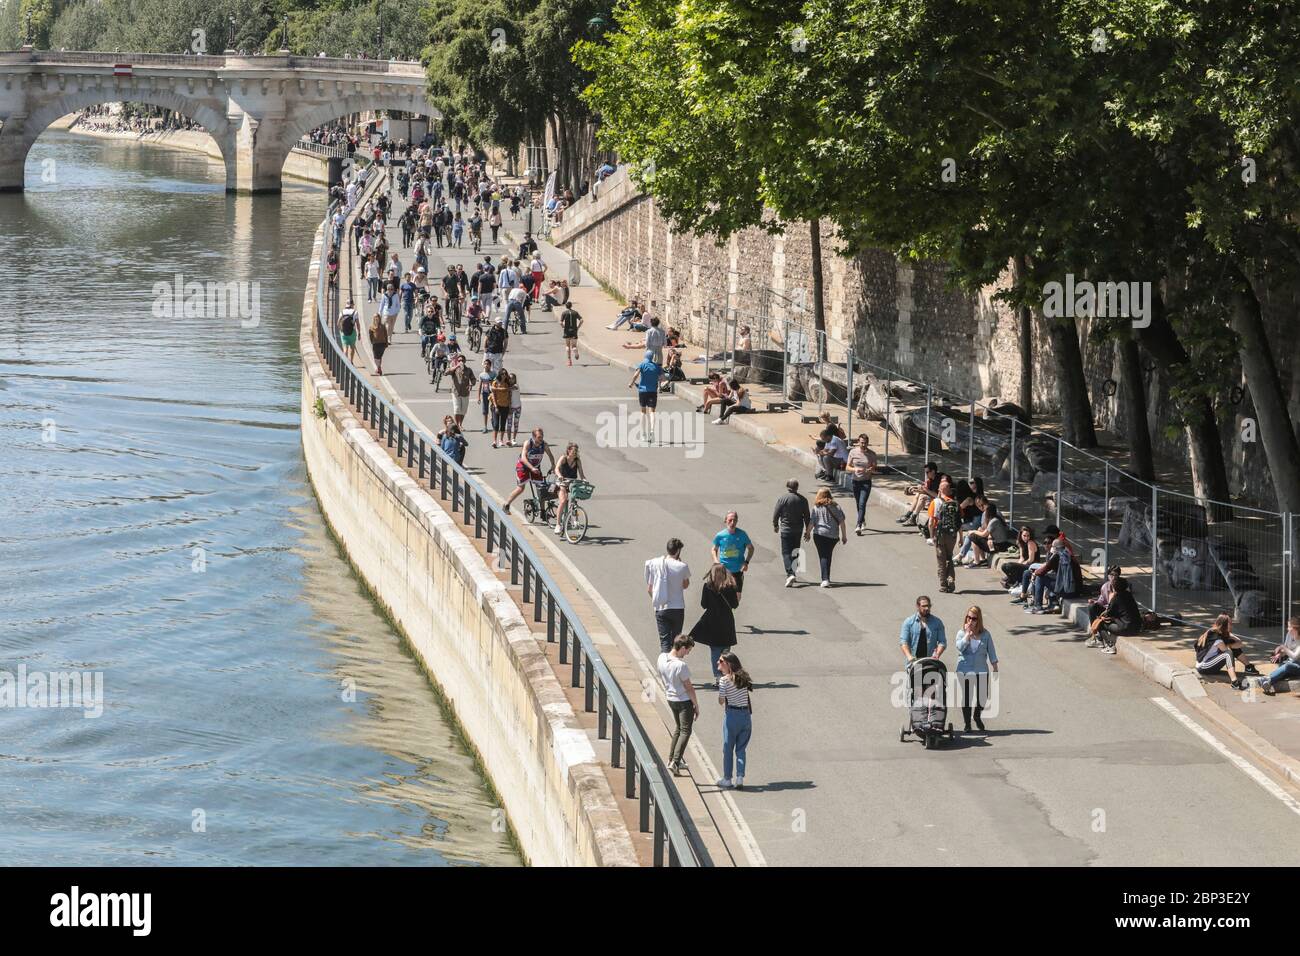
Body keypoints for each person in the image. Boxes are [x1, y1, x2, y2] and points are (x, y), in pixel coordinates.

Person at [689, 563, 741, 685]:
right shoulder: (731, 586)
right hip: (726, 621)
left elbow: (704, 604)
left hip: (712, 621)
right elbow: (734, 605)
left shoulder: (708, 587)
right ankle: (726, 675)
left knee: (715, 651)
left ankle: (718, 677)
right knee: (725, 651)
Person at [659, 636, 699, 776]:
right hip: (683, 700)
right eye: (688, 650)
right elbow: (689, 687)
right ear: (682, 648)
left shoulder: (662, 657)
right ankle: (675, 762)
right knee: (685, 731)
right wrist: (696, 705)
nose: (687, 653)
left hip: (671, 698)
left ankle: (672, 759)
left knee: (678, 729)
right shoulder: (680, 665)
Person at [954, 605, 999, 733]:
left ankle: (977, 716)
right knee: (967, 697)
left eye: (974, 618)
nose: (970, 621)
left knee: (983, 697)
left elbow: (991, 650)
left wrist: (994, 665)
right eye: (968, 617)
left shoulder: (985, 634)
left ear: (978, 620)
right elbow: (959, 647)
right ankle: (967, 724)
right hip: (965, 669)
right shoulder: (961, 633)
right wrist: (967, 635)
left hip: (981, 669)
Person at [716, 651, 753, 791]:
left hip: (732, 715)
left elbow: (721, 700)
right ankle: (740, 777)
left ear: (728, 664)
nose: (718, 663)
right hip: (745, 716)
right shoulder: (743, 677)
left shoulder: (724, 680)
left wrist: (722, 697)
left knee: (728, 748)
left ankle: (727, 778)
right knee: (741, 749)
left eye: (720, 661)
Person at [646, 539, 691, 654]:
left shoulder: (656, 565)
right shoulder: (682, 566)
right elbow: (685, 585)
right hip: (677, 608)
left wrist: (658, 600)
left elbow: (650, 589)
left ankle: (664, 667)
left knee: (664, 642)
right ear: (678, 551)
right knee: (676, 642)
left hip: (661, 608)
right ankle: (673, 665)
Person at [1194, 614, 1258, 690]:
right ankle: (1234, 682)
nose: (1232, 625)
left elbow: (1240, 643)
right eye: (1230, 624)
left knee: (1232, 647)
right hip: (1203, 667)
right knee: (1228, 654)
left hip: (1211, 662)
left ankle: (1248, 667)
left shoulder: (1221, 634)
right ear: (1224, 625)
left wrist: (1231, 636)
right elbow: (1227, 651)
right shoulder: (1215, 636)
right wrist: (1231, 644)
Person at [504, 427, 555, 513]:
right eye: (539, 437)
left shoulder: (544, 445)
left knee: (541, 488)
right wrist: (532, 468)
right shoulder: (528, 443)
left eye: (542, 436)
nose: (541, 439)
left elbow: (550, 455)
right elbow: (523, 458)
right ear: (534, 437)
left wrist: (553, 465)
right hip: (523, 466)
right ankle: (506, 505)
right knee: (521, 488)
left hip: (536, 466)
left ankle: (542, 511)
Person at [1087, 576, 1141, 653]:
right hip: (1137, 627)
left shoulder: (1116, 597)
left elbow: (1107, 614)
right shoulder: (1129, 595)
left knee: (1100, 623)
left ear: (1114, 587)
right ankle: (1099, 639)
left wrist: (1111, 599)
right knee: (1092, 607)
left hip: (1126, 628)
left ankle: (1110, 645)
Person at [772, 478, 811, 588]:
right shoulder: (803, 500)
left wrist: (775, 525)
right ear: (797, 487)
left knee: (786, 552)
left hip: (786, 529)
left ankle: (790, 574)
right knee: (795, 551)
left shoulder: (783, 499)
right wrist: (808, 532)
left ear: (787, 486)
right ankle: (792, 572)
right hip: (798, 529)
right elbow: (807, 517)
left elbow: (776, 513)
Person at [927, 478, 961, 593]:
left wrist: (932, 536)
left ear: (939, 490)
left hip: (940, 534)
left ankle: (943, 585)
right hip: (952, 535)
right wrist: (960, 537)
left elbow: (931, 522)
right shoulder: (955, 503)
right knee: (949, 558)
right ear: (949, 491)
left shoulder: (935, 502)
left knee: (941, 560)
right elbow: (959, 522)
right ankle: (951, 580)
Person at [809, 487, 848, 588]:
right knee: (828, 555)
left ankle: (825, 579)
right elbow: (842, 522)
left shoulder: (816, 507)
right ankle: (826, 578)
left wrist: (807, 532)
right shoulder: (836, 506)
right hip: (833, 536)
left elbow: (812, 522)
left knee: (823, 556)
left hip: (819, 535)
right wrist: (844, 536)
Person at [712, 511, 754, 601]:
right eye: (730, 520)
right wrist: (716, 561)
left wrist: (746, 562)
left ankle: (729, 612)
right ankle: (724, 613)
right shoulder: (720, 535)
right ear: (725, 520)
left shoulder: (742, 534)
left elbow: (751, 548)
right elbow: (714, 549)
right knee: (721, 595)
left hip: (737, 570)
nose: (732, 523)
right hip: (724, 570)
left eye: (734, 520)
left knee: (737, 597)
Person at [1260, 616, 1300, 696]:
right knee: (1283, 667)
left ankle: (1266, 679)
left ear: (1295, 628)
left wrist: (1283, 647)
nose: (1287, 629)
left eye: (1289, 627)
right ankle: (1268, 682)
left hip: (1298, 665)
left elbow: (1295, 656)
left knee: (1287, 666)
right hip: (1290, 662)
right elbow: (1287, 650)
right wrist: (1280, 654)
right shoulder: (1289, 634)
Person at [899, 595, 946, 662]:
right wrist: (909, 656)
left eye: (928, 606)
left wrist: (937, 654)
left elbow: (942, 642)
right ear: (918, 606)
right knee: (918, 672)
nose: (927, 608)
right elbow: (903, 641)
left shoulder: (937, 623)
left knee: (931, 673)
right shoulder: (909, 622)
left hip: (930, 661)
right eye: (924, 606)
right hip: (914, 661)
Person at [628, 350, 663, 441]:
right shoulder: (656, 366)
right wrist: (658, 384)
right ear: (652, 357)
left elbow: (636, 375)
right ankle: (652, 431)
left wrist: (631, 383)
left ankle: (643, 434)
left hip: (643, 391)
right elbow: (661, 377)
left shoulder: (642, 364)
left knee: (643, 411)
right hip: (653, 391)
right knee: (652, 411)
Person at [845, 434, 877, 534]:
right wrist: (855, 469)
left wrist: (870, 469)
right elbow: (847, 467)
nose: (863, 444)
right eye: (861, 442)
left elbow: (874, 468)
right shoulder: (853, 452)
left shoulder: (872, 454)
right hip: (855, 481)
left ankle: (858, 524)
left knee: (862, 503)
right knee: (858, 503)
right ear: (858, 442)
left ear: (868, 443)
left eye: (865, 443)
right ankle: (862, 520)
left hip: (866, 482)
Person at [553, 441, 585, 534]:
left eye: (576, 451)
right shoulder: (563, 458)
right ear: (568, 451)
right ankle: (558, 525)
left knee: (574, 500)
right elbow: (556, 468)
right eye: (573, 451)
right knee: (563, 501)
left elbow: (582, 474)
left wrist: (584, 480)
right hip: (562, 482)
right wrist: (559, 475)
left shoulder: (577, 461)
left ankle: (574, 518)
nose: (575, 453)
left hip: (571, 482)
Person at [1002, 527, 1041, 594]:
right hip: (1025, 564)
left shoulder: (1030, 543)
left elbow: (1031, 559)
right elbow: (1022, 558)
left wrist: (1020, 565)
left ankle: (1014, 581)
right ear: (1021, 535)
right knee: (1004, 566)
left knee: (1010, 566)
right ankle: (1015, 581)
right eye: (1024, 536)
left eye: (1028, 536)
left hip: (1032, 566)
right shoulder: (1021, 543)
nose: (1026, 537)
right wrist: (1017, 564)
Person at [490, 366, 514, 449]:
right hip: (497, 405)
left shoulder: (507, 383)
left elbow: (510, 394)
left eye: (505, 374)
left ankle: (501, 440)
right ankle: (494, 441)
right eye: (502, 374)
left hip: (505, 406)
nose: (504, 375)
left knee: (503, 424)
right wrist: (496, 406)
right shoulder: (496, 383)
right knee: (496, 424)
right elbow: (493, 394)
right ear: (500, 374)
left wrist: (510, 406)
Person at [448, 354, 474, 427]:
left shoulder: (468, 370)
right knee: (457, 409)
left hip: (465, 392)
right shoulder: (455, 369)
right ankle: (458, 425)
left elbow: (473, 379)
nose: (461, 362)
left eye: (462, 360)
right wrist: (456, 366)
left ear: (465, 361)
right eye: (459, 360)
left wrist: (471, 384)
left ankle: (460, 424)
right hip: (456, 392)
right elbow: (446, 372)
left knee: (463, 410)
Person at [476, 358, 495, 433]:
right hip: (485, 393)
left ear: (490, 366)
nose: (486, 365)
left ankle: (494, 422)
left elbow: (496, 383)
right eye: (485, 364)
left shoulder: (493, 374)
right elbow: (480, 386)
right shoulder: (481, 375)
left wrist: (492, 382)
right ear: (483, 365)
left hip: (492, 393)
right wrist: (478, 397)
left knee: (493, 409)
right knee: (485, 410)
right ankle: (485, 426)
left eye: (488, 364)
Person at [338, 300, 359, 364]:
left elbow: (338, 323)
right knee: (352, 347)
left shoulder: (342, 312)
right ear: (352, 305)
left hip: (344, 332)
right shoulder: (355, 312)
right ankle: (351, 361)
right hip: (352, 332)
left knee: (345, 348)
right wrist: (359, 332)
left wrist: (341, 329)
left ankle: (345, 362)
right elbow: (358, 324)